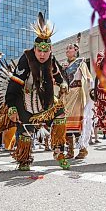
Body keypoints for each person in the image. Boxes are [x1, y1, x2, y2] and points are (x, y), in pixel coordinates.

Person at [4, 12, 69, 171]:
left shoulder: (51, 59)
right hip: (26, 103)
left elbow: (58, 75)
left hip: (46, 101)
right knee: (26, 131)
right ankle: (24, 159)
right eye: (39, 50)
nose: (41, 54)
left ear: (50, 50)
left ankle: (59, 152)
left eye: (45, 51)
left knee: (60, 113)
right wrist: (12, 106)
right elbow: (14, 85)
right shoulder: (26, 59)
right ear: (34, 49)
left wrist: (63, 84)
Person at [62, 40, 93, 159]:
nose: (67, 50)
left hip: (78, 94)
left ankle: (83, 149)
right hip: (67, 95)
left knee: (78, 122)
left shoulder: (81, 63)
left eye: (69, 48)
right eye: (66, 49)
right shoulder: (64, 65)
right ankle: (70, 151)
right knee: (67, 123)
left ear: (76, 50)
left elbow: (89, 78)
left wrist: (92, 91)